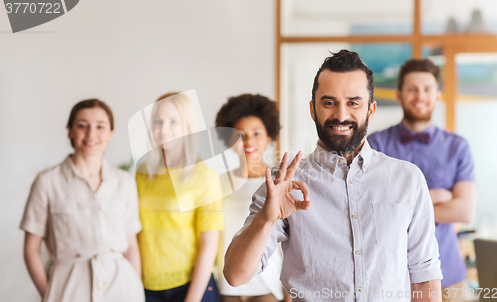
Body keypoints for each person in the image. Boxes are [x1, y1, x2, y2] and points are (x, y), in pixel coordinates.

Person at [223, 50, 443, 302]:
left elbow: (424, 276)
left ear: (370, 110)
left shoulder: (408, 179)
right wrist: (266, 218)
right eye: (329, 103)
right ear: (313, 110)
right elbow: (235, 275)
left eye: (353, 103)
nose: (340, 115)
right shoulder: (282, 184)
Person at [367, 59, 476, 302]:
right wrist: (438, 196)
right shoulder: (375, 145)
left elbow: (465, 210)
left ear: (438, 96)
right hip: (390, 278)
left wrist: (403, 207)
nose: (420, 96)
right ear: (398, 95)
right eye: (412, 89)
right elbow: (373, 209)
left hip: (449, 277)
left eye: (427, 89)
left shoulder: (457, 147)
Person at [21, 99, 144, 302]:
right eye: (82, 126)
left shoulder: (124, 182)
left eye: (100, 127)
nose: (91, 134)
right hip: (68, 288)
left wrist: (135, 288)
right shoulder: (47, 182)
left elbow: (131, 245)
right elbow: (31, 249)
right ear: (70, 130)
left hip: (121, 288)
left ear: (110, 133)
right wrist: (50, 293)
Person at [136, 92, 224, 302]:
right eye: (158, 121)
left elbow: (209, 245)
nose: (163, 129)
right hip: (147, 288)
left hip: (192, 288)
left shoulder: (205, 177)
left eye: (173, 121)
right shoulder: (142, 173)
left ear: (187, 127)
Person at [215, 94, 290, 302]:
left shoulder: (279, 182)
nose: (248, 140)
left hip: (267, 286)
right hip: (226, 286)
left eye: (256, 133)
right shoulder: (216, 184)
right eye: (240, 134)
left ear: (268, 138)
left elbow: (290, 240)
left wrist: (289, 294)